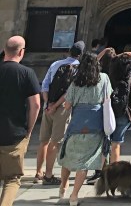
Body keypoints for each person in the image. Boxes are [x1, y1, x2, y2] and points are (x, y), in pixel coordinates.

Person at [58, 51, 112, 204]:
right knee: (85, 162)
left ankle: (63, 185)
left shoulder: (75, 82)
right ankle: (74, 195)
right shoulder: (104, 78)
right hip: (95, 125)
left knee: (68, 158)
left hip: (76, 125)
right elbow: (107, 98)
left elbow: (67, 105)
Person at [0, 35, 41, 206]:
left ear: (5, 50)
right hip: (14, 133)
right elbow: (36, 104)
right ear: (21, 52)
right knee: (12, 178)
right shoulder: (26, 73)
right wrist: (29, 130)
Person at [35, 41, 83, 185]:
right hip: (62, 108)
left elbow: (45, 85)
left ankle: (38, 172)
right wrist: (56, 105)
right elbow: (69, 92)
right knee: (55, 142)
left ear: (69, 51)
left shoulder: (55, 64)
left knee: (43, 140)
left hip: (48, 106)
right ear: (80, 54)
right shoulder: (79, 68)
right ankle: (49, 175)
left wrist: (48, 103)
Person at [107, 53, 131, 163]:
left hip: (109, 113)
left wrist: (122, 54)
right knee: (116, 144)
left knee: (105, 143)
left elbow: (112, 60)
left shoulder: (111, 77)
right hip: (124, 114)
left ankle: (102, 168)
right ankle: (114, 168)